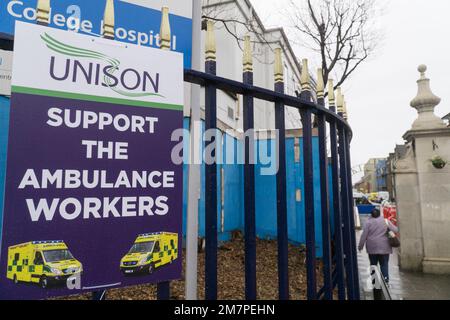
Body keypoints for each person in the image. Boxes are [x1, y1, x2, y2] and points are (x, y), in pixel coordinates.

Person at [358, 208, 398, 283]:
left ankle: (375, 282)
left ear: (371, 215)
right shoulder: (386, 221)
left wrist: (360, 246)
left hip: (372, 248)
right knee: (384, 264)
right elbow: (395, 230)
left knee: (373, 265)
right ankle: (386, 281)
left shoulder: (368, 223)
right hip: (385, 247)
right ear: (380, 214)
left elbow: (363, 236)